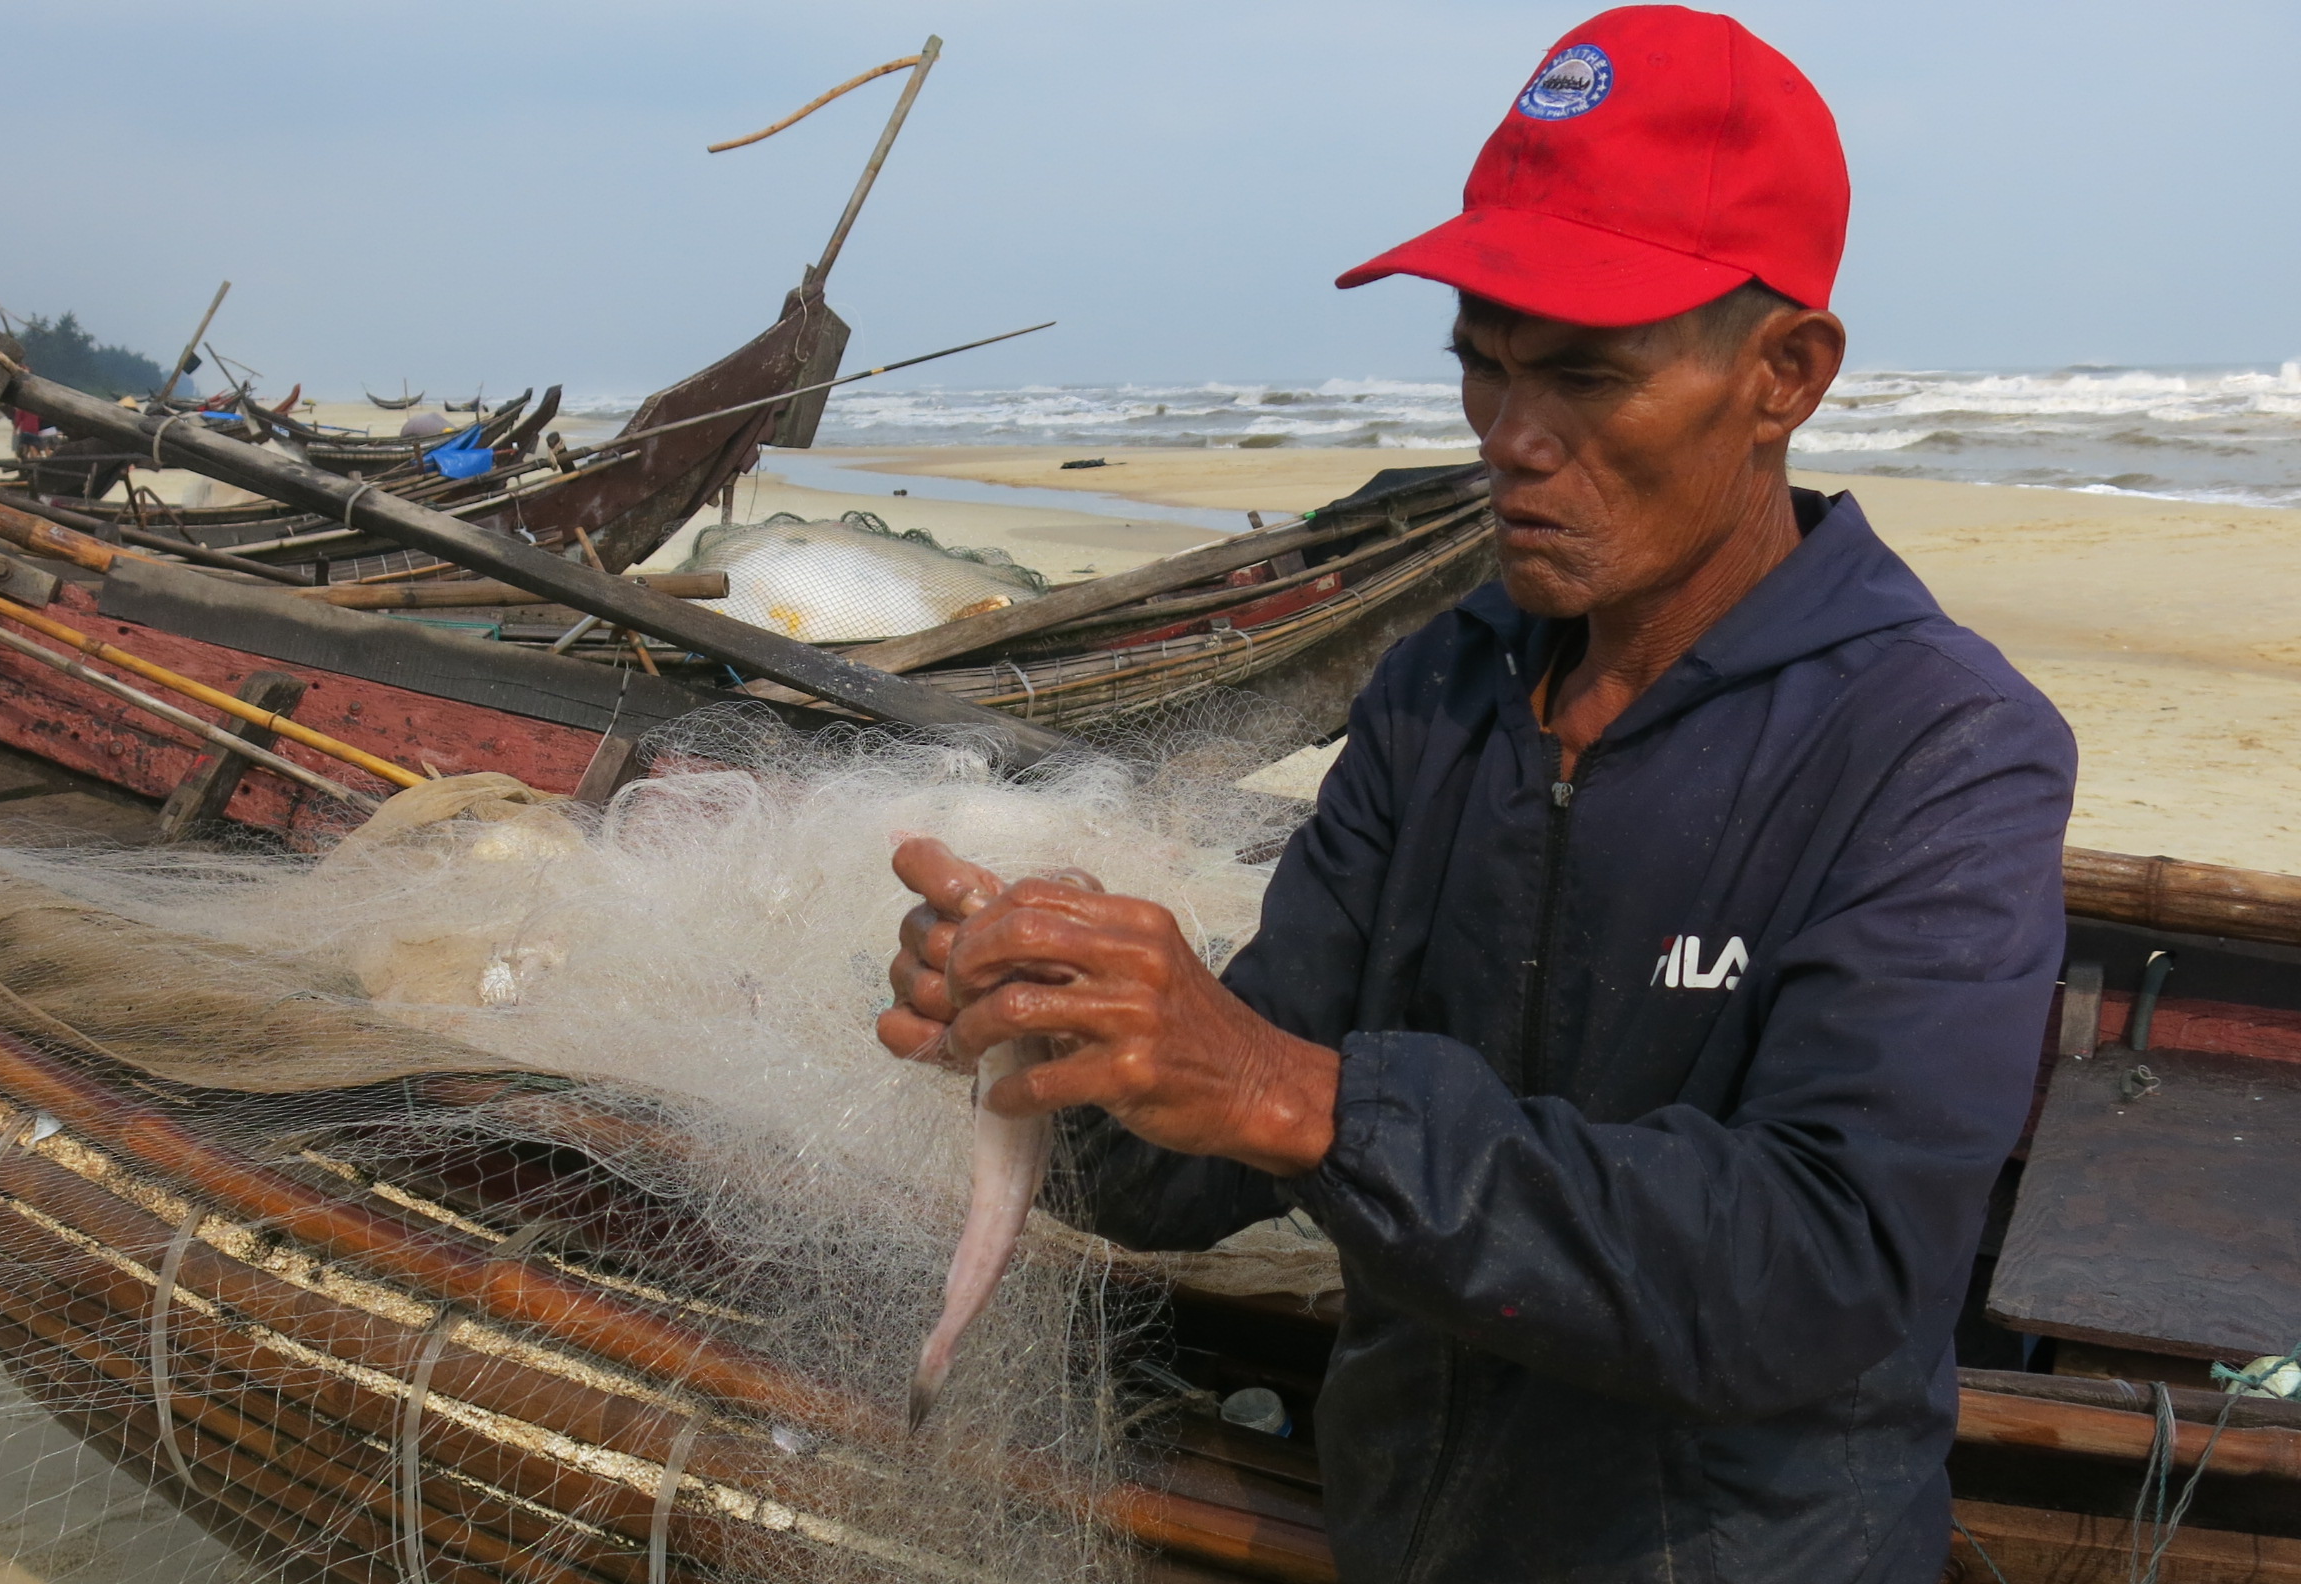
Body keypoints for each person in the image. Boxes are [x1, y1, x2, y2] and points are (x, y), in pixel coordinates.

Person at [878, 8, 2076, 1581]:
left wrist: (1299, 1094)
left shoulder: (1940, 746)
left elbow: (1820, 1271)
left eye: (1587, 376)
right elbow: (1203, 1159)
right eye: (1482, 367)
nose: (1512, 443)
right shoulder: (1444, 691)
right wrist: (1071, 1039)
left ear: (1784, 373)